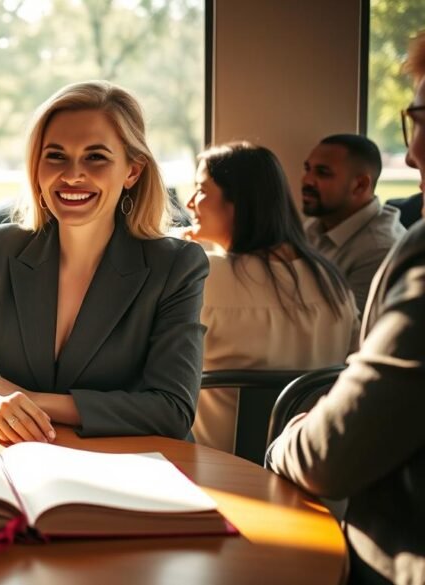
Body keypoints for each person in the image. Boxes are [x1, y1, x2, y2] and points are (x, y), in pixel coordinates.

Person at [0, 81, 209, 444]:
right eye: (55, 156)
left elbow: (172, 410)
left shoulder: (177, 265)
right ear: (36, 166)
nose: (73, 174)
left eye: (96, 157)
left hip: (134, 468)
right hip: (20, 463)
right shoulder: (4, 247)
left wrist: (33, 402)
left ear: (132, 172)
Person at [267, 31, 425, 585]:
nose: (412, 151)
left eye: (419, 120)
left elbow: (334, 448)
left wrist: (290, 435)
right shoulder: (311, 232)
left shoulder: (396, 249)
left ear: (363, 186)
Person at [184, 142, 358, 453]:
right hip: (307, 468)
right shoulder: (332, 283)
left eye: (200, 190)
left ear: (238, 201)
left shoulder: (203, 278)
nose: (189, 203)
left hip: (213, 470)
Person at [302, 134, 406, 311]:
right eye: (307, 169)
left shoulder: (379, 250)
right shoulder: (315, 225)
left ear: (360, 185)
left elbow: (347, 332)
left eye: (322, 173)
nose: (306, 180)